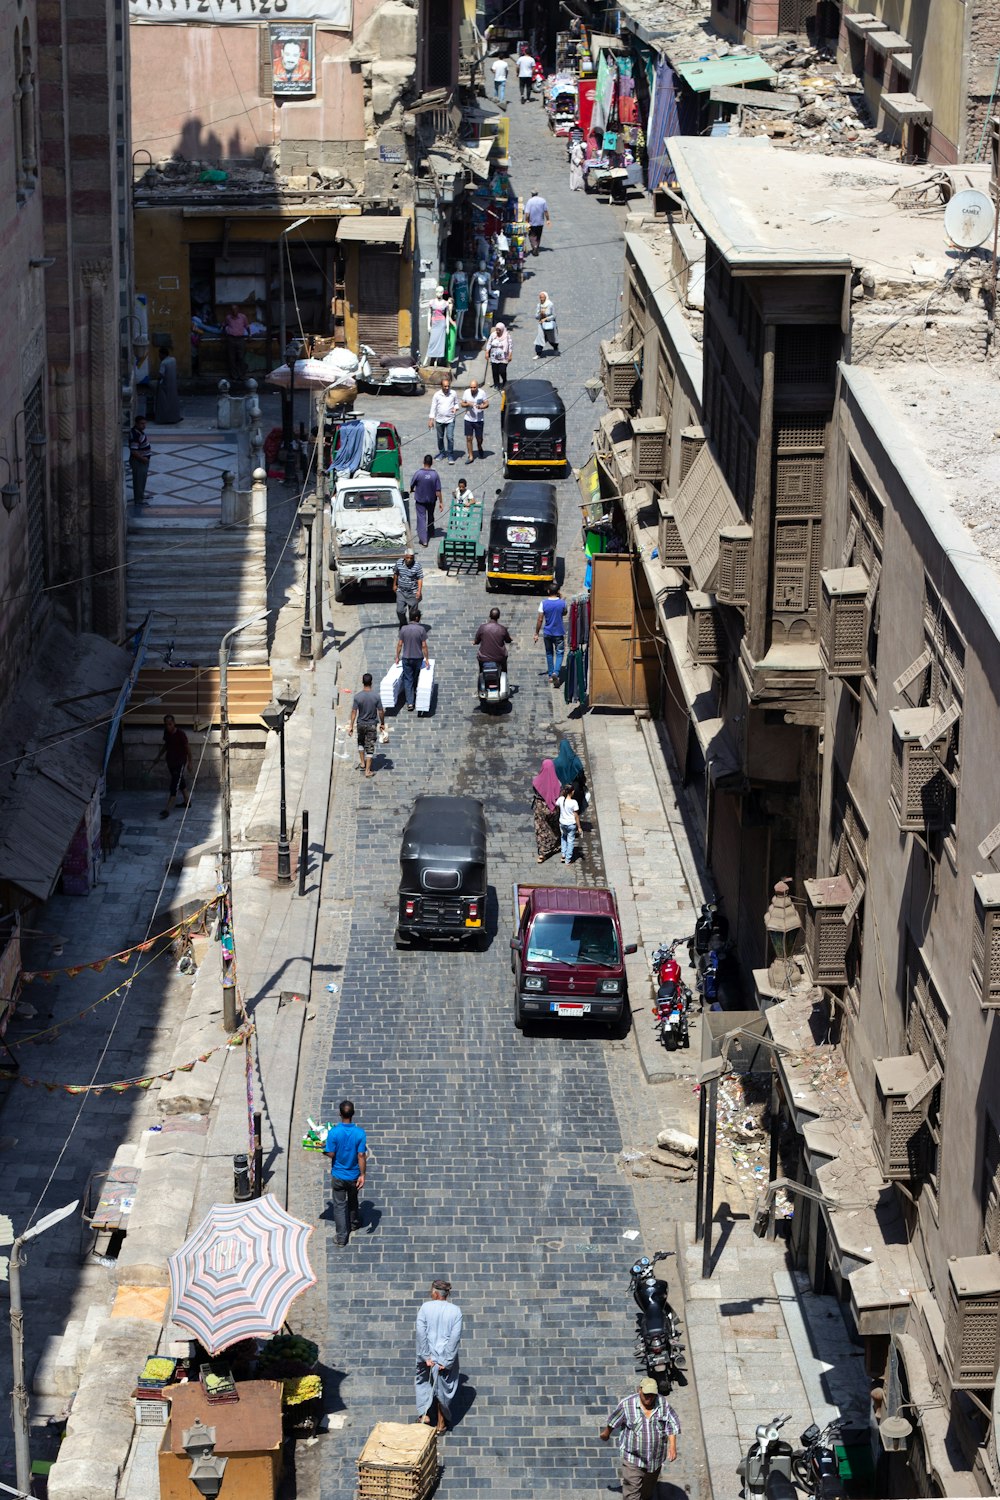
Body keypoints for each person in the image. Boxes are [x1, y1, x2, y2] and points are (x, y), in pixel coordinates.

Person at [600, 1377, 680, 1500]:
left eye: (652, 1395)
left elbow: (671, 1424)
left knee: (647, 1489)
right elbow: (613, 1421)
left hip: (655, 1458)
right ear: (639, 1390)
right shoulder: (627, 1405)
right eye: (646, 1394)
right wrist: (606, 1434)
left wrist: (673, 1446)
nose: (649, 1398)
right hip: (633, 1458)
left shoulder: (662, 1403)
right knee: (632, 1489)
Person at [415, 1280, 462, 1435]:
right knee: (443, 1388)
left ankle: (424, 1415)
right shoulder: (455, 1311)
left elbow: (421, 1333)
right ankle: (441, 1424)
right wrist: (446, 1361)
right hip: (445, 1357)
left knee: (424, 1382)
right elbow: (454, 1338)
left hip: (427, 1355)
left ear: (435, 1293)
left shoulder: (425, 1307)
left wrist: (426, 1356)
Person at [323, 1099, 367, 1248]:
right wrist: (362, 1174)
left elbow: (331, 1153)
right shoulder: (360, 1133)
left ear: (340, 1114)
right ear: (353, 1114)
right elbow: (361, 1155)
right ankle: (354, 1223)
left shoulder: (333, 1132)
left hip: (339, 1175)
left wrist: (323, 1149)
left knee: (339, 1205)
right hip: (354, 1174)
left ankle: (341, 1237)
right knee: (353, 1199)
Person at [151, 714, 193, 819]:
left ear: (174, 723)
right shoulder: (167, 733)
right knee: (180, 781)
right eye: (166, 725)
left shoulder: (181, 734)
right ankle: (187, 802)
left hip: (180, 763)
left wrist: (190, 762)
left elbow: (188, 748)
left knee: (174, 785)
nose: (168, 727)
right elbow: (166, 746)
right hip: (171, 762)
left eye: (170, 724)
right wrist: (158, 757)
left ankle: (167, 809)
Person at [348, 671, 385, 778]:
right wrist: (382, 723)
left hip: (360, 723)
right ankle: (368, 771)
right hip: (371, 724)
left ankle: (362, 763)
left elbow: (354, 712)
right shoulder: (376, 697)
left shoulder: (357, 697)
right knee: (370, 747)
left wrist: (351, 725)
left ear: (362, 682)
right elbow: (381, 711)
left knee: (360, 742)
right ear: (371, 682)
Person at [395, 608, 430, 712]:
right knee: (415, 677)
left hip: (406, 658)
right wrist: (427, 658)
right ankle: (415, 695)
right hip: (418, 658)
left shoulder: (403, 629)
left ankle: (410, 702)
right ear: (417, 618)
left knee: (408, 679)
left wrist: (397, 656)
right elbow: (424, 646)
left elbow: (400, 644)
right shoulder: (421, 630)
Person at [535, 584, 568, 683]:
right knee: (560, 653)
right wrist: (561, 599)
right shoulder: (562, 603)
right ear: (558, 591)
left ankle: (550, 675)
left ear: (548, 591)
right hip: (558, 632)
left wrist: (536, 633)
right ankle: (556, 673)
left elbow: (540, 619)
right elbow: (564, 613)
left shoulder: (543, 603)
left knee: (549, 653)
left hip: (547, 633)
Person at [531, 757, 561, 864]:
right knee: (554, 827)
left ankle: (542, 854)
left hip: (541, 808)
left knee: (542, 829)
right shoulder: (558, 782)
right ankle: (558, 845)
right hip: (553, 807)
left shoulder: (536, 781)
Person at [409, 455, 444, 547]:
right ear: (431, 463)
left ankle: (424, 540)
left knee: (421, 519)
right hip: (432, 500)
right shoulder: (435, 474)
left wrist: (412, 489)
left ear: (423, 462)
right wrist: (441, 502)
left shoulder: (418, 473)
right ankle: (431, 532)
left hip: (420, 500)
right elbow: (438, 490)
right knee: (431, 516)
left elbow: (412, 484)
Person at [428, 376, 460, 465]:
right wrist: (431, 420)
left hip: (450, 419)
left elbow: (456, 404)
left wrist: (455, 408)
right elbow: (433, 407)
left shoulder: (453, 393)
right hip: (439, 420)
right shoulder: (437, 395)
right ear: (441, 386)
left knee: (450, 437)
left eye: (448, 386)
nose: (447, 388)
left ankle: (450, 454)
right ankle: (442, 452)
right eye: (445, 386)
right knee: (440, 437)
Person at [461, 379, 489, 463]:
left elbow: (487, 403)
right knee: (469, 438)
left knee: (479, 438)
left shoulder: (482, 393)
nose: (472, 389)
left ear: (477, 387)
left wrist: (481, 407)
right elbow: (462, 404)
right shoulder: (466, 392)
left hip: (479, 419)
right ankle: (471, 456)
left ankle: (479, 446)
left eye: (474, 387)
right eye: (471, 387)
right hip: (468, 419)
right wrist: (467, 404)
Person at [393, 547, 423, 626]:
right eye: (407, 557)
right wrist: (394, 584)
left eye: (411, 558)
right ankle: (403, 624)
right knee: (400, 611)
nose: (409, 559)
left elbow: (419, 578)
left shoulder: (417, 566)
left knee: (413, 613)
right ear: (404, 557)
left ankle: (412, 627)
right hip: (401, 591)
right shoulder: (399, 562)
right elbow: (396, 573)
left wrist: (419, 591)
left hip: (412, 592)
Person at [154, 344, 182, 424]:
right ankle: (174, 417)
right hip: (172, 385)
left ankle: (163, 419)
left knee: (163, 403)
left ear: (163, 354)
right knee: (173, 402)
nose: (159, 356)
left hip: (164, 386)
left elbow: (161, 374)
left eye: (160, 354)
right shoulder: (173, 360)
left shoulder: (163, 363)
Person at [555, 782, 582, 864]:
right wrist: (579, 827)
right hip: (571, 824)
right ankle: (568, 859)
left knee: (563, 837)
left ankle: (563, 854)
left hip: (562, 823)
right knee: (570, 841)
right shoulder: (574, 802)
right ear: (572, 792)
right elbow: (576, 816)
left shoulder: (560, 799)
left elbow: (556, 805)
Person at [425, 286, 452, 366]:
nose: (438, 293)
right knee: (432, 342)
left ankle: (436, 360)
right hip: (434, 323)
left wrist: (447, 326)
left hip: (441, 324)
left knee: (440, 342)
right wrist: (428, 325)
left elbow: (447, 315)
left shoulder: (445, 303)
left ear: (443, 292)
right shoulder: (432, 302)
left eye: (440, 292)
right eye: (437, 292)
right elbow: (429, 313)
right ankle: (427, 358)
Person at [128, 415, 152, 507]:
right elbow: (134, 451)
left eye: (145, 423)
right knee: (138, 480)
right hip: (139, 461)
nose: (144, 425)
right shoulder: (135, 434)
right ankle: (138, 500)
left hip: (143, 461)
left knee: (142, 479)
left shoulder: (139, 431)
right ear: (136, 424)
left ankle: (141, 495)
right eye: (142, 424)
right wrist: (144, 459)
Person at [223, 304, 250, 383]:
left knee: (241, 357)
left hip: (240, 339)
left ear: (238, 310)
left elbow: (247, 326)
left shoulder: (243, 317)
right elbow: (224, 325)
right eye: (232, 310)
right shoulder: (228, 318)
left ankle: (242, 375)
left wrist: (249, 335)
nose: (234, 311)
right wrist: (224, 335)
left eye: (235, 309)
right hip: (231, 338)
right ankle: (234, 376)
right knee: (231, 358)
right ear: (231, 311)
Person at [485, 321, 512, 389]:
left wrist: (510, 354)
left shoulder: (507, 336)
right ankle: (496, 384)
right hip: (494, 356)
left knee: (502, 370)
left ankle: (504, 381)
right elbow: (489, 343)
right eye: (496, 329)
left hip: (503, 357)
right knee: (495, 371)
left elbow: (510, 346)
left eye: (499, 330)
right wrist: (487, 352)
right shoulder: (493, 335)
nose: (497, 331)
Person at [524, 190, 551, 254]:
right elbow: (546, 211)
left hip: (532, 222)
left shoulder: (529, 201)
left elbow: (527, 213)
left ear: (532, 194)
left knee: (532, 235)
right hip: (540, 222)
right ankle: (537, 246)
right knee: (538, 235)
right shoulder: (543, 200)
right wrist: (548, 220)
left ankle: (534, 246)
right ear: (537, 194)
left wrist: (526, 221)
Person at [535, 291, 559, 357]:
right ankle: (538, 353)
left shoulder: (550, 304)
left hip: (550, 324)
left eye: (542, 297)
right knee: (540, 338)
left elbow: (554, 315)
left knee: (552, 338)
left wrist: (546, 318)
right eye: (540, 297)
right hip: (541, 325)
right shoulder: (539, 305)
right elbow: (536, 316)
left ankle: (555, 348)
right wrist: (540, 314)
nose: (541, 299)